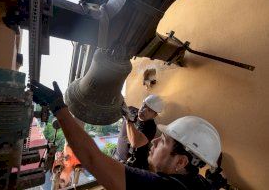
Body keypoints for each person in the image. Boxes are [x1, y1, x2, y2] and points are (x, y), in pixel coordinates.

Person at [30, 81, 222, 190]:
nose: (155, 142)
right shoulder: (200, 183)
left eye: (163, 141)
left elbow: (92, 158)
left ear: (181, 162)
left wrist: (59, 108)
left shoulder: (160, 188)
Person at [114, 95, 163, 170]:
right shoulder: (131, 111)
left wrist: (128, 120)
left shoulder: (150, 127)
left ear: (155, 115)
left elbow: (135, 143)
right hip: (117, 157)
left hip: (133, 167)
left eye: (149, 110)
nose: (143, 110)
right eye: (143, 106)